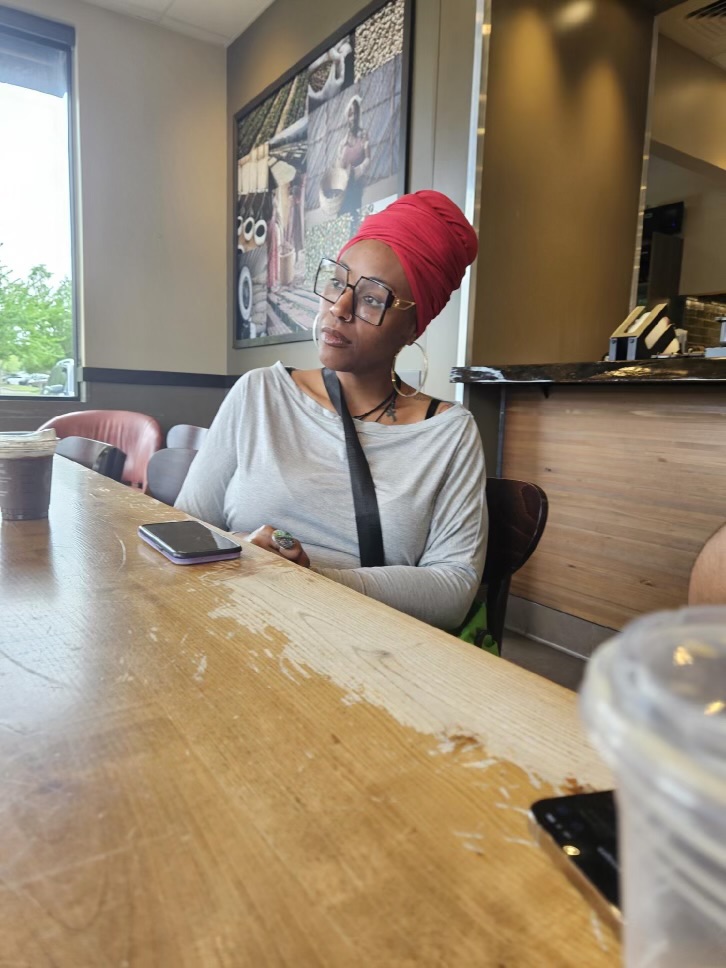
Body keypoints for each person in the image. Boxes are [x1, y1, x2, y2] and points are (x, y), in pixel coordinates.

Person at [176, 191, 486, 630]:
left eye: (373, 298)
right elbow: (185, 527)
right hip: (234, 622)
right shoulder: (260, 394)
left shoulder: (449, 434)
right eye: (338, 282)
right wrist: (240, 548)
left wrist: (314, 580)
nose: (338, 308)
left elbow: (453, 587)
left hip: (364, 648)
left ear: (414, 327)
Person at [337, 95, 370, 231]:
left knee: (354, 222)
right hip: (342, 189)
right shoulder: (343, 141)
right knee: (341, 223)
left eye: (356, 113)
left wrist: (356, 171)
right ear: (347, 117)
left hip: (355, 187)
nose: (353, 117)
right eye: (351, 114)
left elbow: (368, 159)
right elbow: (339, 164)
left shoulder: (364, 136)